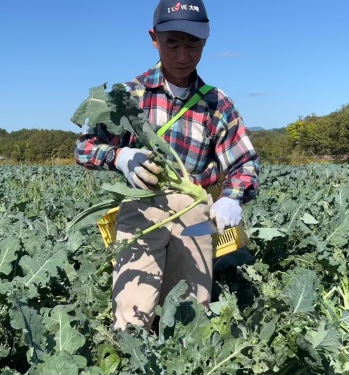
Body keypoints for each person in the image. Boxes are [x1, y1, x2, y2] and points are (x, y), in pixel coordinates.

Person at [74, 0, 260, 332]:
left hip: (194, 212)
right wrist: (120, 157)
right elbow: (84, 147)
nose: (183, 55)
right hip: (142, 211)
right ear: (154, 38)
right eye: (172, 43)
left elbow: (244, 162)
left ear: (205, 41)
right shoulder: (129, 96)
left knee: (190, 314)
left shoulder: (217, 103)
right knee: (133, 314)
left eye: (193, 44)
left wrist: (233, 197)